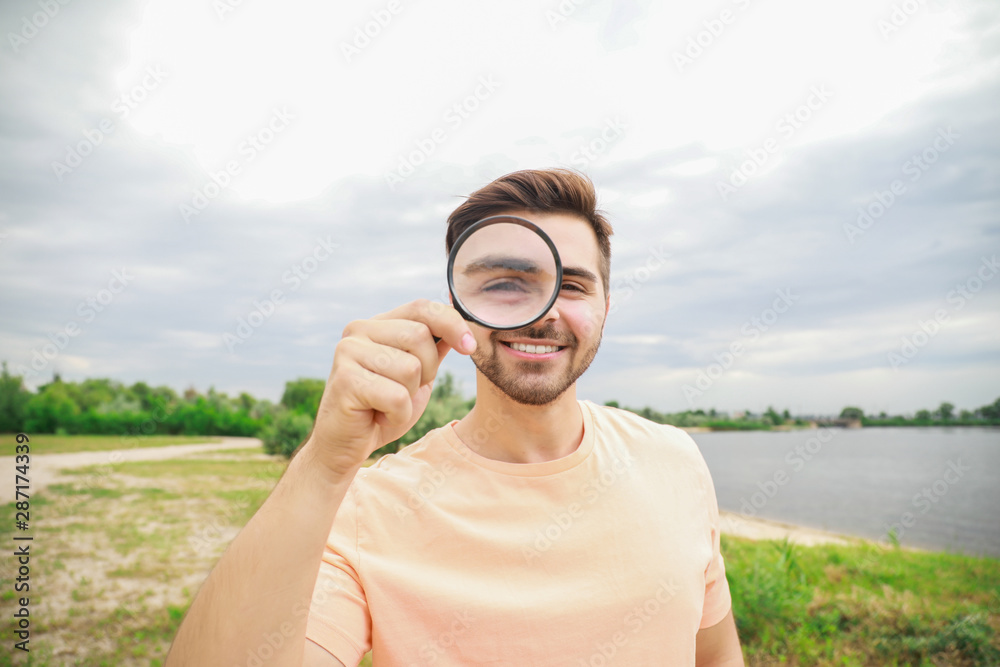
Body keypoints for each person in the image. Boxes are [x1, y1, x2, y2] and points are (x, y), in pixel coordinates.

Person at [166, 168, 744, 666]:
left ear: (604, 307)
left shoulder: (675, 460)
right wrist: (322, 465)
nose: (539, 315)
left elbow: (716, 656)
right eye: (504, 284)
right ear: (456, 305)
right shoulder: (369, 508)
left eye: (570, 285)